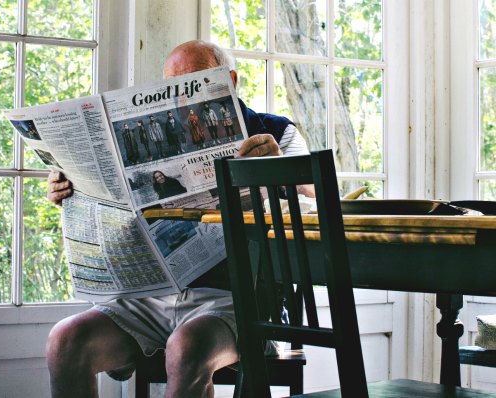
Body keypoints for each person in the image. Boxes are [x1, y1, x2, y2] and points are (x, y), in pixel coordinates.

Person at [46, 39, 313, 398]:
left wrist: (278, 165)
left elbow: (315, 202)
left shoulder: (276, 132)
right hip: (148, 297)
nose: (182, 97)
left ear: (230, 81)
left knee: (188, 347)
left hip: (233, 299)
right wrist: (69, 187)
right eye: (172, 87)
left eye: (195, 84)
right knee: (65, 341)